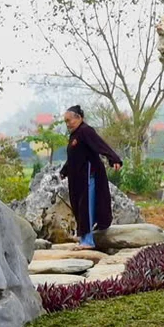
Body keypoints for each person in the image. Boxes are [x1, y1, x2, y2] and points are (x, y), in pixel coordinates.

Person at [59, 105, 124, 249]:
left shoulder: (85, 131)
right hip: (77, 179)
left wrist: (114, 159)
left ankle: (88, 241)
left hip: (89, 177)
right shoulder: (74, 135)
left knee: (86, 207)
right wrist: (64, 171)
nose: (68, 124)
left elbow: (101, 145)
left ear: (79, 118)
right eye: (66, 121)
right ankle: (84, 237)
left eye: (69, 120)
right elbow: (73, 157)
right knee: (79, 207)